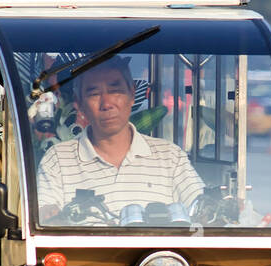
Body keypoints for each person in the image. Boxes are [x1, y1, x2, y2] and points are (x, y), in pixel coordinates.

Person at [37, 57, 204, 222]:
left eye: (115, 91)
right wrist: (49, 213)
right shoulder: (57, 160)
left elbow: (203, 208)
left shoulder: (170, 157)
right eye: (94, 93)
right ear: (79, 103)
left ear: (132, 94)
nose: (107, 103)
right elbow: (45, 215)